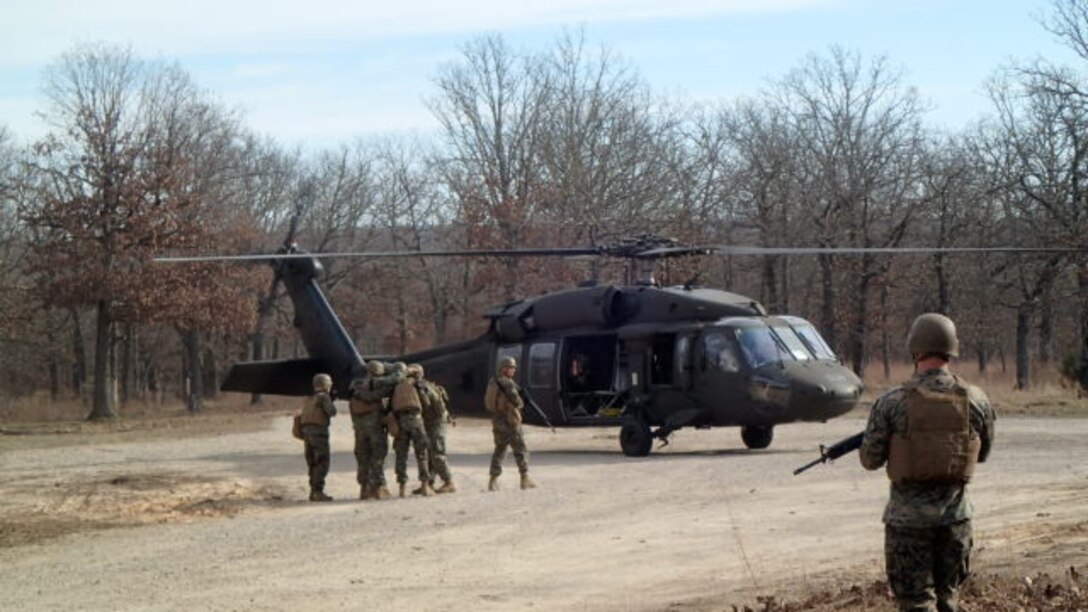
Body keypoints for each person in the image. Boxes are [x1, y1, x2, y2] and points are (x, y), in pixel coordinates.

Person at [859, 313, 995, 612]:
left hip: (908, 524)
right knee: (948, 599)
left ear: (915, 349)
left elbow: (870, 460)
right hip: (956, 521)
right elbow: (982, 454)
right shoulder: (977, 400)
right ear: (951, 349)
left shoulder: (892, 401)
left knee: (916, 603)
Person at [349, 361, 403, 500]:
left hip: (359, 429)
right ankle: (379, 488)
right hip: (375, 427)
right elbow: (393, 382)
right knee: (378, 456)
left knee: (362, 457)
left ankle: (364, 489)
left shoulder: (355, 384)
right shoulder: (381, 387)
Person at [484, 356, 536, 491]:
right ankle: (525, 479)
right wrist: (521, 401)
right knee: (520, 450)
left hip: (497, 420)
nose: (514, 370)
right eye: (512, 367)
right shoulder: (507, 383)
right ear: (505, 368)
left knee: (500, 450)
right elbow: (517, 402)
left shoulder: (493, 382)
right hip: (510, 421)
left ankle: (493, 481)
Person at [391, 363, 434, 497]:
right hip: (416, 421)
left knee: (401, 455)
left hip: (400, 421)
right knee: (421, 454)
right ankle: (425, 486)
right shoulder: (417, 385)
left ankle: (402, 488)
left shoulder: (397, 385)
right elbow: (426, 403)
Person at [415, 364, 456, 494]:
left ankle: (449, 482)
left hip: (436, 423)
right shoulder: (424, 385)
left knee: (437, 453)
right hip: (431, 422)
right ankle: (430, 483)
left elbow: (430, 405)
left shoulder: (423, 387)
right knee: (430, 452)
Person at [299, 372, 338, 502]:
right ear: (326, 385)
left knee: (312, 463)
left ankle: (313, 491)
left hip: (307, 433)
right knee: (322, 462)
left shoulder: (310, 398)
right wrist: (331, 400)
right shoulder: (323, 397)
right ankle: (318, 491)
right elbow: (331, 412)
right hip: (319, 433)